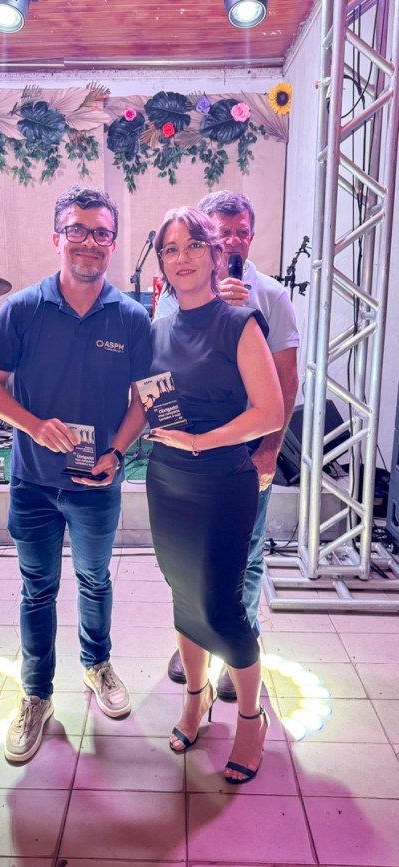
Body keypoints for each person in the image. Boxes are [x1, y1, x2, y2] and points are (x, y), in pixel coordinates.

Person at [0, 186, 151, 763]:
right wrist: (32, 425)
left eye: (101, 232)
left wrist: (117, 452)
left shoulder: (131, 317)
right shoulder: (22, 309)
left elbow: (146, 397)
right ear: (57, 238)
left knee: (95, 581)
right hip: (33, 484)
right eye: (77, 229)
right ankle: (36, 695)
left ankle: (97, 665)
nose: (88, 242)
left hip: (97, 483)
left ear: (113, 243)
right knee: (38, 589)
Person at [143, 207, 283, 783]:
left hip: (223, 481)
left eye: (193, 245)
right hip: (167, 479)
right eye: (171, 249)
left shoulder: (239, 323)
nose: (182, 257)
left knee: (223, 608)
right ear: (162, 262)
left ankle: (251, 718)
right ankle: (195, 698)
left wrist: (203, 440)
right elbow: (146, 401)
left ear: (215, 252)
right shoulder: (157, 328)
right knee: (183, 598)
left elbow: (270, 412)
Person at [156, 191, 299, 700]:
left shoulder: (269, 297)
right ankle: (197, 639)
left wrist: (269, 449)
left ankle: (241, 640)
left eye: (240, 232)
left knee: (246, 554)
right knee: (189, 562)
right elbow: (163, 372)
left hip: (243, 455)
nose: (232, 241)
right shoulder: (173, 295)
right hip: (184, 465)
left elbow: (285, 383)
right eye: (221, 232)